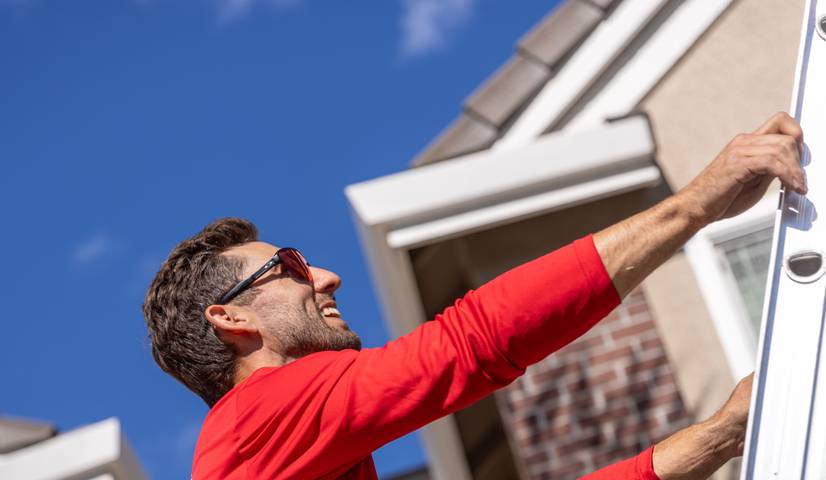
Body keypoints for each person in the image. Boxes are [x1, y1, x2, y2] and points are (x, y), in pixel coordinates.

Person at [143, 112, 805, 479]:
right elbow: (471, 342)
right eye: (289, 265)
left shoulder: (284, 448)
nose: (326, 276)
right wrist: (692, 206)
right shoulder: (252, 419)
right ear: (230, 317)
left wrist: (717, 437)